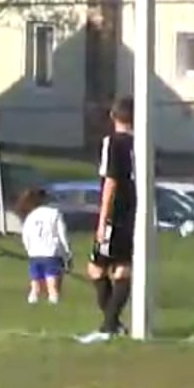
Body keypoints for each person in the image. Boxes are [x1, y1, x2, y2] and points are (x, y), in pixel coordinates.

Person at [80, 97, 136, 343]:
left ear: (113, 116)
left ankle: (109, 324)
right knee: (122, 265)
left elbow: (111, 181)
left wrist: (102, 219)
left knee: (97, 268)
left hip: (116, 212)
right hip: (133, 211)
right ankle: (113, 323)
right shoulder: (141, 144)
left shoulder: (112, 143)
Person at [15, 186, 71, 305]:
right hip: (51, 253)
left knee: (35, 288)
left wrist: (29, 250)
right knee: (53, 288)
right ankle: (53, 305)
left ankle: (32, 304)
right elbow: (62, 234)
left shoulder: (31, 215)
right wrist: (67, 253)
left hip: (35, 254)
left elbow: (25, 235)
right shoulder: (54, 213)